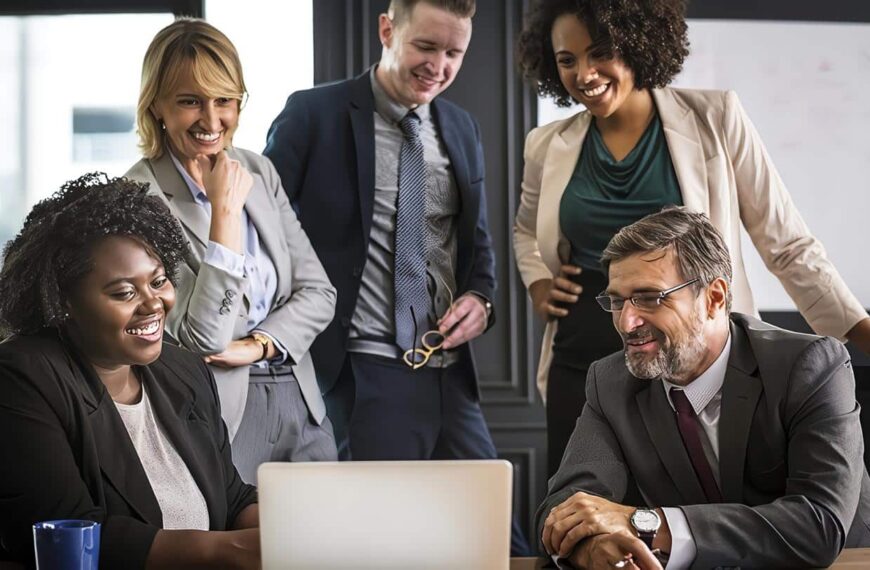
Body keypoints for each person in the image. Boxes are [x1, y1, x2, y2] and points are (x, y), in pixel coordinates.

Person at [513, 0, 870, 477]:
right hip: (581, 352)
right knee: (580, 508)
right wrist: (538, 281)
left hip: (691, 353)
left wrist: (859, 329)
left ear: (639, 42)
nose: (584, 73)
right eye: (567, 60)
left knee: (689, 511)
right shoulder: (546, 144)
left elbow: (785, 242)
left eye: (600, 52)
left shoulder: (715, 118)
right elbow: (525, 231)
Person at [536, 207, 870, 569]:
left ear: (714, 297)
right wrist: (595, 548)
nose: (626, 322)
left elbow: (819, 525)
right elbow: (565, 508)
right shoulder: (611, 381)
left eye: (649, 298)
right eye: (617, 301)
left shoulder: (810, 365)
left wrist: (645, 523)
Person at [0, 174, 260, 569]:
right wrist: (231, 550)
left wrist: (291, 530)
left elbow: (232, 497)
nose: (153, 304)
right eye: (124, 292)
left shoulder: (184, 370)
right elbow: (65, 533)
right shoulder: (23, 377)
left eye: (158, 282)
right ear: (63, 300)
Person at [126, 19, 338, 483]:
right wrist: (224, 215)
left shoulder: (258, 170)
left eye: (225, 100)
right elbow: (202, 338)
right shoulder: (138, 195)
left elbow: (319, 293)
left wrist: (258, 345)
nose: (211, 119)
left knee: (326, 544)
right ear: (157, 106)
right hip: (220, 410)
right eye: (190, 101)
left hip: (299, 396)